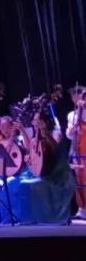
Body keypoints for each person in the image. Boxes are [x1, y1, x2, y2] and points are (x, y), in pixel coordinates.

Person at [65, 87, 86, 219]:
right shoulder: (71, 115)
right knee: (78, 180)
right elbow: (68, 135)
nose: (75, 98)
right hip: (76, 150)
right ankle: (82, 208)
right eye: (73, 95)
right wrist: (71, 131)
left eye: (77, 94)